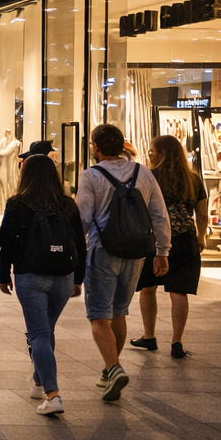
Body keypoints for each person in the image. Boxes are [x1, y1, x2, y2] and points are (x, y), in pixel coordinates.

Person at [76, 123, 171, 401]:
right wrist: (162, 252)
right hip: (137, 252)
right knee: (119, 312)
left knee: (98, 315)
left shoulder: (91, 175)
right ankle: (109, 370)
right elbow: (159, 214)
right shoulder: (143, 172)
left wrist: (73, 250)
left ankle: (114, 367)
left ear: (95, 147)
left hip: (103, 249)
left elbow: (82, 216)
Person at [0, 154, 87, 416]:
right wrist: (78, 278)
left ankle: (53, 394)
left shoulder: (17, 204)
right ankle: (38, 382)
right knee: (46, 330)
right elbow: (80, 245)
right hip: (63, 276)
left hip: (30, 275)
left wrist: (4, 275)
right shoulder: (68, 204)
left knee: (38, 334)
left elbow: (7, 243)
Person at [132, 135, 207, 359]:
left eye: (152, 150)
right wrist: (201, 236)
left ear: (161, 153)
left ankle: (149, 336)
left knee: (148, 287)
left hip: (153, 240)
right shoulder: (193, 178)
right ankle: (176, 342)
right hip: (185, 239)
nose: (149, 154)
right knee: (179, 291)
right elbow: (202, 214)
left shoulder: (148, 177)